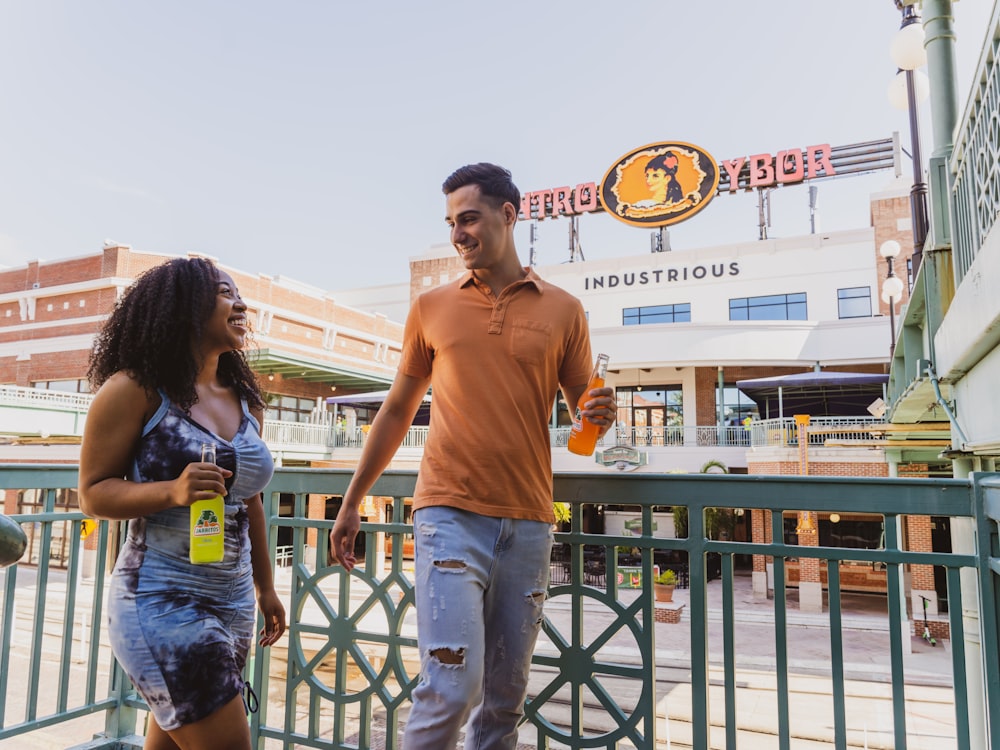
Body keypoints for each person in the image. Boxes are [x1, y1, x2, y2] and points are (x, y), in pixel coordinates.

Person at [330, 162, 617, 749]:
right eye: (451, 222)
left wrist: (599, 418)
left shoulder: (564, 310)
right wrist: (352, 500)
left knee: (504, 702)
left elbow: (583, 424)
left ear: (508, 215)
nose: (458, 233)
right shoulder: (430, 307)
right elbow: (395, 410)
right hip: (448, 514)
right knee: (451, 688)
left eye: (469, 218)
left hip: (530, 520)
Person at [78, 257, 286, 750]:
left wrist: (266, 587)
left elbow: (248, 501)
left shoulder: (245, 398)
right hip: (160, 600)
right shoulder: (135, 390)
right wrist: (172, 491)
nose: (240, 303)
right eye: (223, 292)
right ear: (184, 308)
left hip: (233, 604)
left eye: (239, 293)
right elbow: (93, 493)